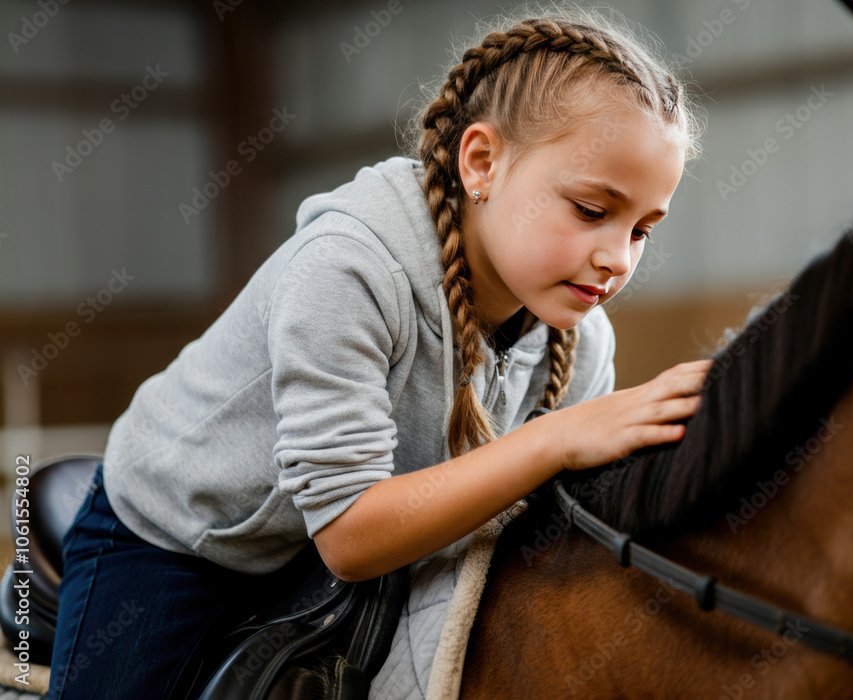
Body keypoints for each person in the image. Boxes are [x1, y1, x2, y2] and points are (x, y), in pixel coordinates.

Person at [45, 6, 710, 699]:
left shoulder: (582, 337)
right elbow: (349, 536)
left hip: (350, 551)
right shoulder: (350, 268)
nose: (616, 258)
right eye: (593, 210)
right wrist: (557, 438)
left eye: (644, 230)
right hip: (180, 539)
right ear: (481, 161)